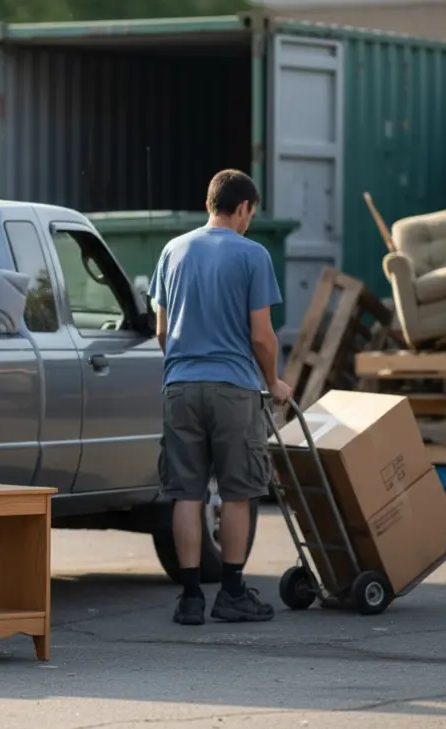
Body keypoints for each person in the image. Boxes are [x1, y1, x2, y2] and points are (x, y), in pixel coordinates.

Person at [148, 169, 292, 626]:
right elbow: (262, 336)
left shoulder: (173, 250)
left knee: (186, 493)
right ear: (243, 207)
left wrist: (184, 366)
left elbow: (161, 330)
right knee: (237, 492)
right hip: (233, 389)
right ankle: (231, 591)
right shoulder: (252, 255)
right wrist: (274, 381)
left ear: (209, 203)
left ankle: (190, 597)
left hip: (180, 387)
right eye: (252, 212)